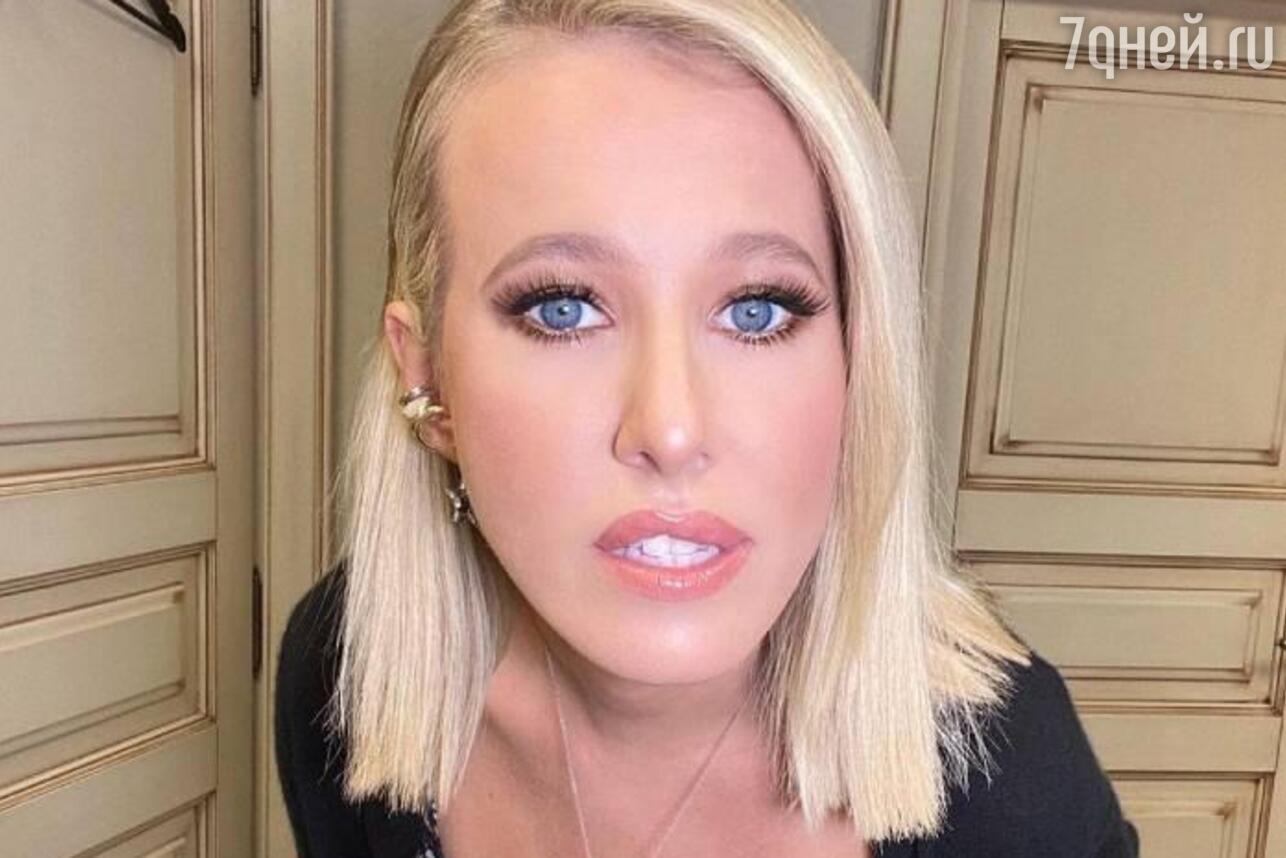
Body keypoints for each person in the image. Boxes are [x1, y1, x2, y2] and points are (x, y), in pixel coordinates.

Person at [275, 1, 1142, 856]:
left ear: (860, 365)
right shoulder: (345, 676)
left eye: (757, 309)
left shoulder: (1017, 789)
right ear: (426, 376)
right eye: (563, 307)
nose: (671, 429)